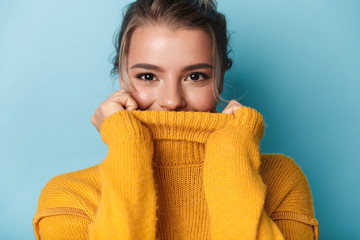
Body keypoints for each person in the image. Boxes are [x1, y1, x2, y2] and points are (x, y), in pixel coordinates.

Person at [33, 0, 319, 239]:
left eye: (195, 76)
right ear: (122, 79)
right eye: (148, 76)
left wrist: (232, 153)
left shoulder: (281, 180)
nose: (172, 101)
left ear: (219, 80)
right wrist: (127, 146)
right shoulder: (69, 197)